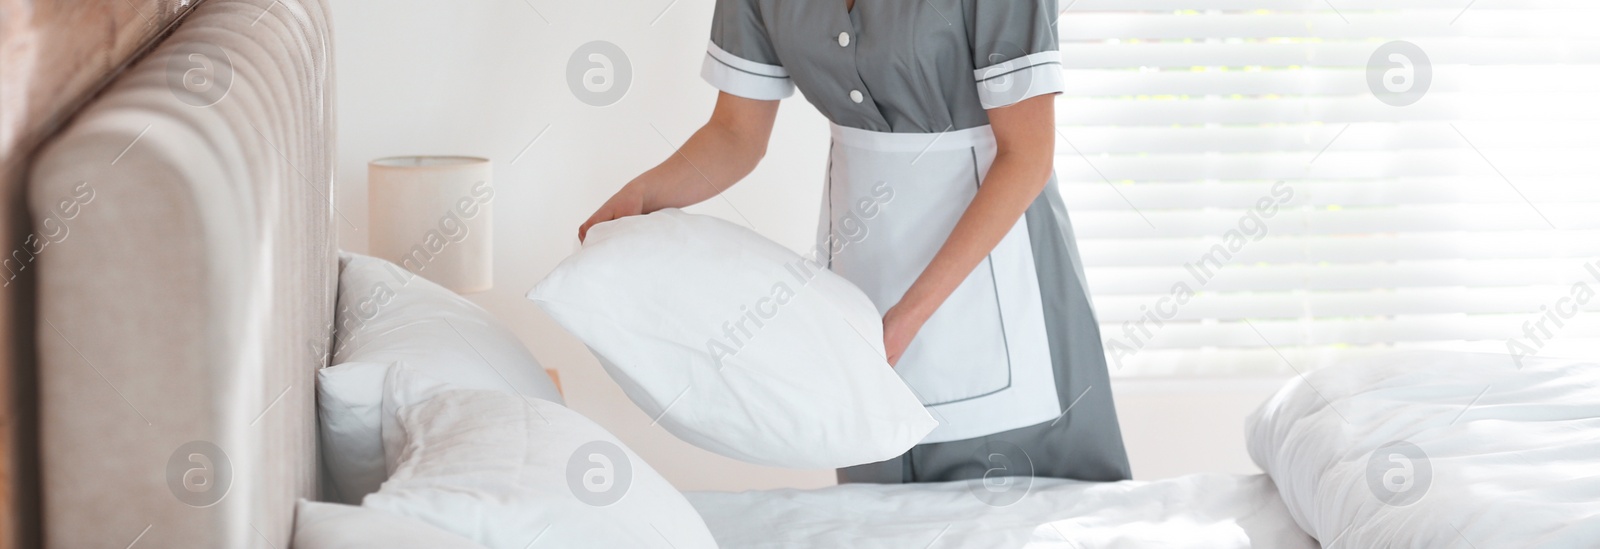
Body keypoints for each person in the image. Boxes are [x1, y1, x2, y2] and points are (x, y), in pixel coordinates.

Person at [579, 0, 1130, 484]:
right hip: (862, 271)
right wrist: (642, 197)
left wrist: (909, 317)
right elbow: (735, 135)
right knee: (878, 502)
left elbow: (1027, 154)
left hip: (1001, 281)